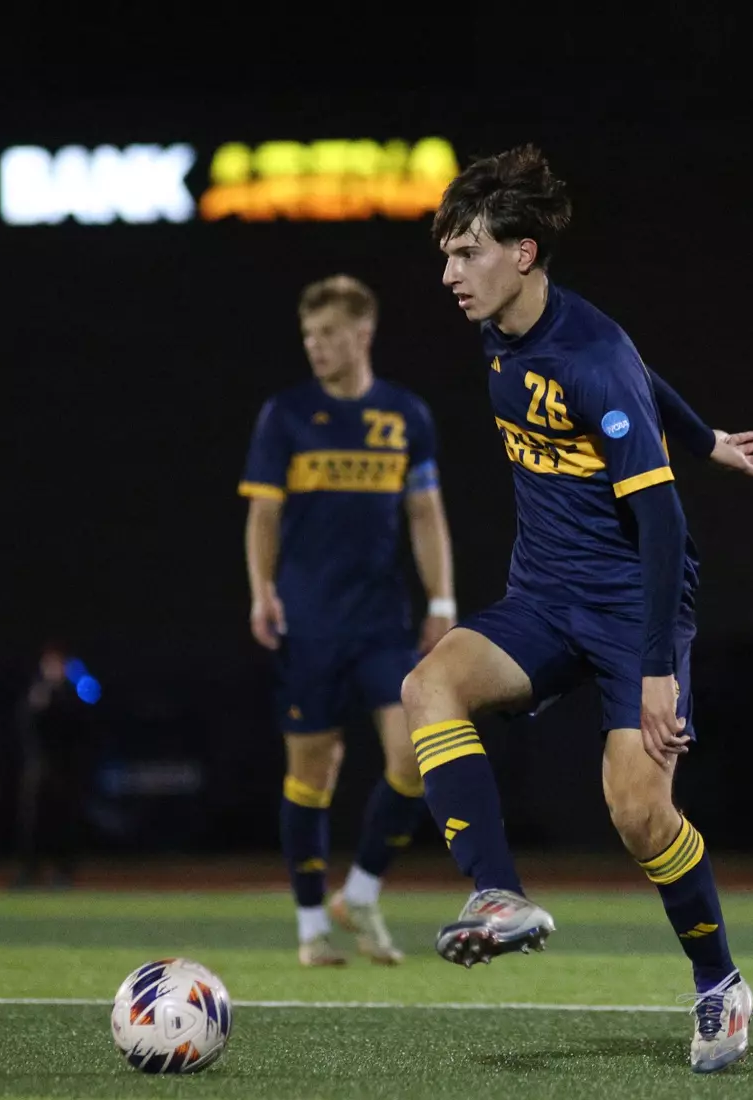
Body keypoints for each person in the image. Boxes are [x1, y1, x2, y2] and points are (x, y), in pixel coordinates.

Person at [402, 144, 753, 1075]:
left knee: (638, 814)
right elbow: (645, 380)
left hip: (630, 611)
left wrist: (654, 670)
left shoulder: (588, 355)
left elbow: (661, 522)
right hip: (542, 596)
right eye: (446, 255)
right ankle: (498, 895)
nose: (450, 274)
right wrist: (704, 435)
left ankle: (719, 983)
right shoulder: (503, 327)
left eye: (467, 253)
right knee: (428, 685)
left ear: (523, 253)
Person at [240, 275, 456, 967]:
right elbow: (263, 515)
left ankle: (359, 892)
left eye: (328, 334)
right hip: (307, 625)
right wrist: (262, 592)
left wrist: (442, 601)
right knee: (314, 769)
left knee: (416, 755)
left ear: (363, 333)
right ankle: (311, 925)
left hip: (383, 624)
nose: (316, 346)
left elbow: (424, 512)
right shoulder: (284, 415)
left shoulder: (404, 415)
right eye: (309, 336)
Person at [14, 642, 94, 889]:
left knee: (65, 821)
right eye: (49, 664)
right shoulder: (36, 693)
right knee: (33, 822)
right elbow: (25, 728)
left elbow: (80, 730)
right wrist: (36, 706)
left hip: (65, 769)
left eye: (57, 664)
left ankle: (63, 871)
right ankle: (30, 871)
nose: (53, 669)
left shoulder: (72, 695)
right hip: (39, 768)